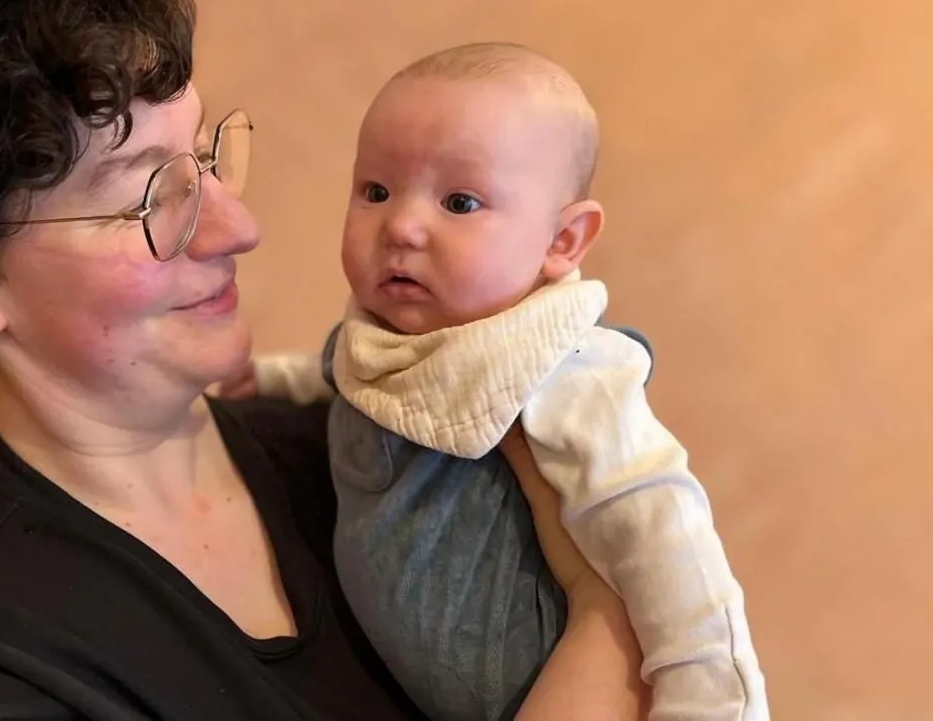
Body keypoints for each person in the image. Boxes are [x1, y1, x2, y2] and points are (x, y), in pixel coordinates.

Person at [0, 0, 645, 721]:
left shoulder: (380, 453)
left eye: (206, 158)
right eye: (151, 196)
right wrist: (613, 613)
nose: (236, 228)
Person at [240, 43, 768, 720]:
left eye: (460, 201)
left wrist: (707, 703)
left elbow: (671, 551)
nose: (402, 225)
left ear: (562, 242)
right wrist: (253, 379)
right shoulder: (378, 338)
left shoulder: (565, 371)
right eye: (376, 191)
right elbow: (337, 374)